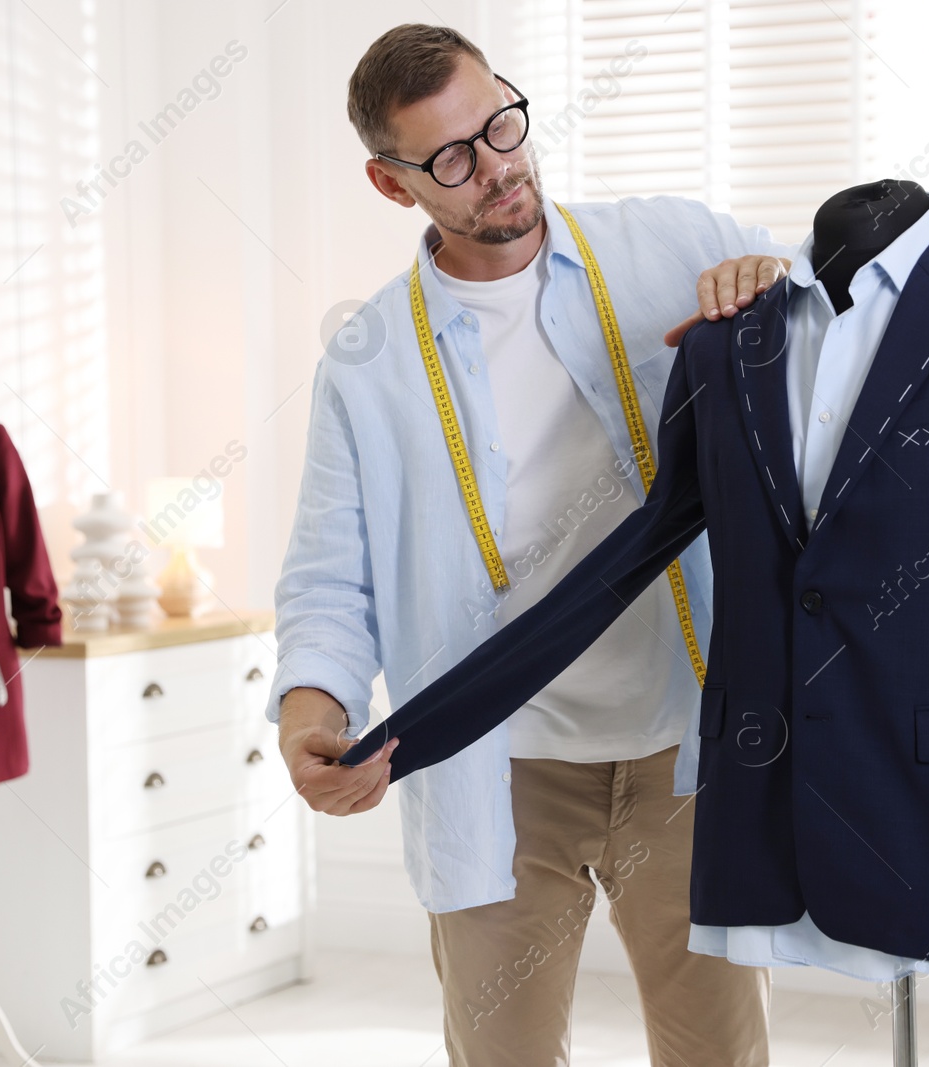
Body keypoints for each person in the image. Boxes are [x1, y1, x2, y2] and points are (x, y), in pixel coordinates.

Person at [270, 23, 790, 1066]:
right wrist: (310, 714)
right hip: (500, 760)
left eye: (499, 122)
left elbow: (829, 334)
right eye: (451, 158)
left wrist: (771, 281)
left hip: (683, 747)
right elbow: (331, 577)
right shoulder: (367, 365)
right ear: (390, 182)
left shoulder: (675, 245)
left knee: (718, 1053)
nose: (497, 166)